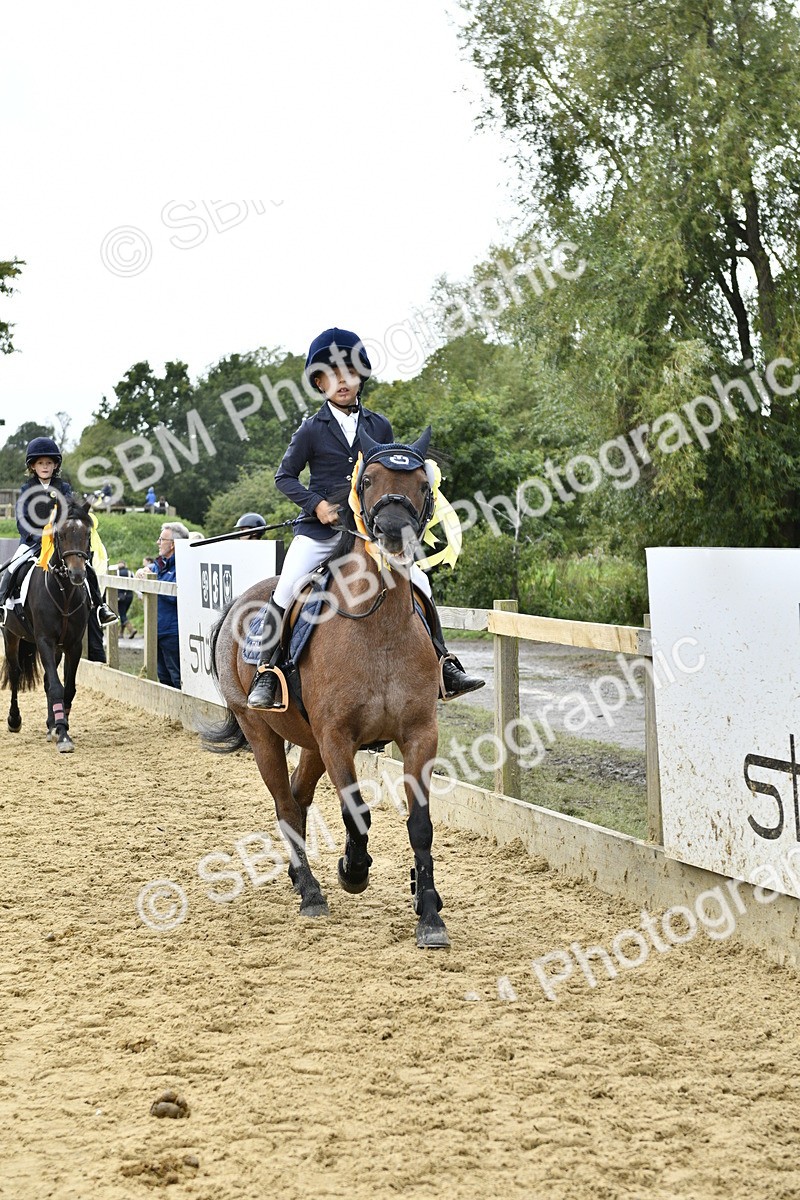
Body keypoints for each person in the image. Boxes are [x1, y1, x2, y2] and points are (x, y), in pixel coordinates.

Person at [247, 327, 484, 709]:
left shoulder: (379, 426)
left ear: (360, 379)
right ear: (320, 382)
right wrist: (315, 505)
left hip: (369, 532)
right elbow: (284, 477)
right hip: (322, 531)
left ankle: (445, 663)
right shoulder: (311, 429)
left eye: (349, 373)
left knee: (420, 580)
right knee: (287, 585)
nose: (342, 382)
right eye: (333, 375)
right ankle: (267, 672)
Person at [0, 437, 118, 628]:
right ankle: (2, 605)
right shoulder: (27, 489)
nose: (45, 467)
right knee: (14, 567)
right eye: (40, 463)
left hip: (59, 540)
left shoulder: (63, 488)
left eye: (49, 463)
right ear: (33, 466)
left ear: (55, 465)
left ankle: (100, 607)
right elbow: (22, 519)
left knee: (86, 568)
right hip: (32, 541)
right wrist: (37, 536)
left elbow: (70, 513)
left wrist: (57, 535)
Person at [136, 521, 189, 688]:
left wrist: (153, 581)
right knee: (162, 676)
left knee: (177, 677)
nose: (158, 543)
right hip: (157, 630)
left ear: (173, 545)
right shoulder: (160, 564)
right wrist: (142, 571)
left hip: (172, 632)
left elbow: (175, 596)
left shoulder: (184, 565)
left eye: (162, 539)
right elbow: (153, 571)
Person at [116, 561, 136, 638]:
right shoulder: (130, 573)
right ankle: (121, 633)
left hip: (121, 597)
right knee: (123, 614)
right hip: (130, 596)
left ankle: (131, 629)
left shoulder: (117, 573)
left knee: (122, 614)